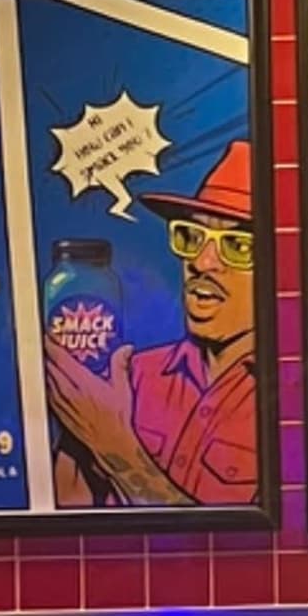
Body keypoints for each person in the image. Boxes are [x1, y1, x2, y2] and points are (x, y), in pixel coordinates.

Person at [49, 138, 262, 508]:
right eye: (192, 237)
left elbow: (242, 550)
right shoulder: (129, 377)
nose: (203, 262)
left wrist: (115, 446)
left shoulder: (301, 394)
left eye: (238, 246)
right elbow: (66, 518)